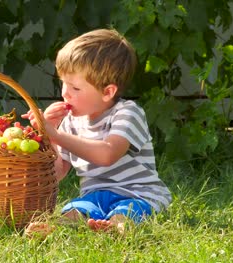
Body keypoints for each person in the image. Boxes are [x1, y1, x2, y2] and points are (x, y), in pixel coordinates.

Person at [21, 28, 172, 237]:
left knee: (127, 212)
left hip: (138, 194)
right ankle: (56, 229)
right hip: (94, 196)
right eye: (63, 82)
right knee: (74, 211)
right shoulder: (70, 122)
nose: (64, 92)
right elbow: (57, 172)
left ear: (107, 92)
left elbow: (107, 154)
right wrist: (49, 136)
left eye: (75, 87)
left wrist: (57, 135)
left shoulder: (128, 113)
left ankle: (119, 227)